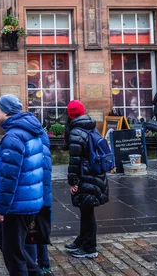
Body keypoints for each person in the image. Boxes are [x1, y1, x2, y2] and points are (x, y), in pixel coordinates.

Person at [0, 94, 48, 276]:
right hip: (30, 200)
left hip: (18, 204)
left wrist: (0, 209)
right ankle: (35, 272)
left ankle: (34, 273)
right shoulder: (31, 130)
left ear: (6, 112)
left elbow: (9, 178)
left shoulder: (13, 137)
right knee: (5, 242)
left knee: (13, 254)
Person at [64, 100, 109, 259]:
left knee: (87, 211)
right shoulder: (91, 126)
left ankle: (89, 247)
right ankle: (82, 240)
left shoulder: (76, 131)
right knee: (86, 210)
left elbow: (74, 160)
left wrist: (73, 181)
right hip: (95, 175)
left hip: (86, 177)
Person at [24, 124, 53, 275]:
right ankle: (45, 264)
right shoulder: (45, 148)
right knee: (40, 232)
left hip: (33, 198)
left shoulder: (32, 149)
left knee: (31, 235)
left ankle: (34, 268)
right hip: (44, 198)